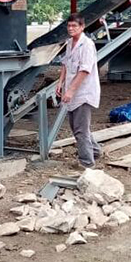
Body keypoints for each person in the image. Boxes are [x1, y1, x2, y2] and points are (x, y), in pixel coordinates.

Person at [56, 13, 101, 168]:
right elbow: (65, 64)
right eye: (69, 26)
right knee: (77, 126)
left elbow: (84, 70)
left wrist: (70, 91)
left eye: (75, 26)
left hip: (84, 92)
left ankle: (87, 162)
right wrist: (60, 82)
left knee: (80, 129)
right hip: (72, 89)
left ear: (82, 27)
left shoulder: (87, 45)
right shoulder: (69, 43)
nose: (71, 28)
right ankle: (94, 150)